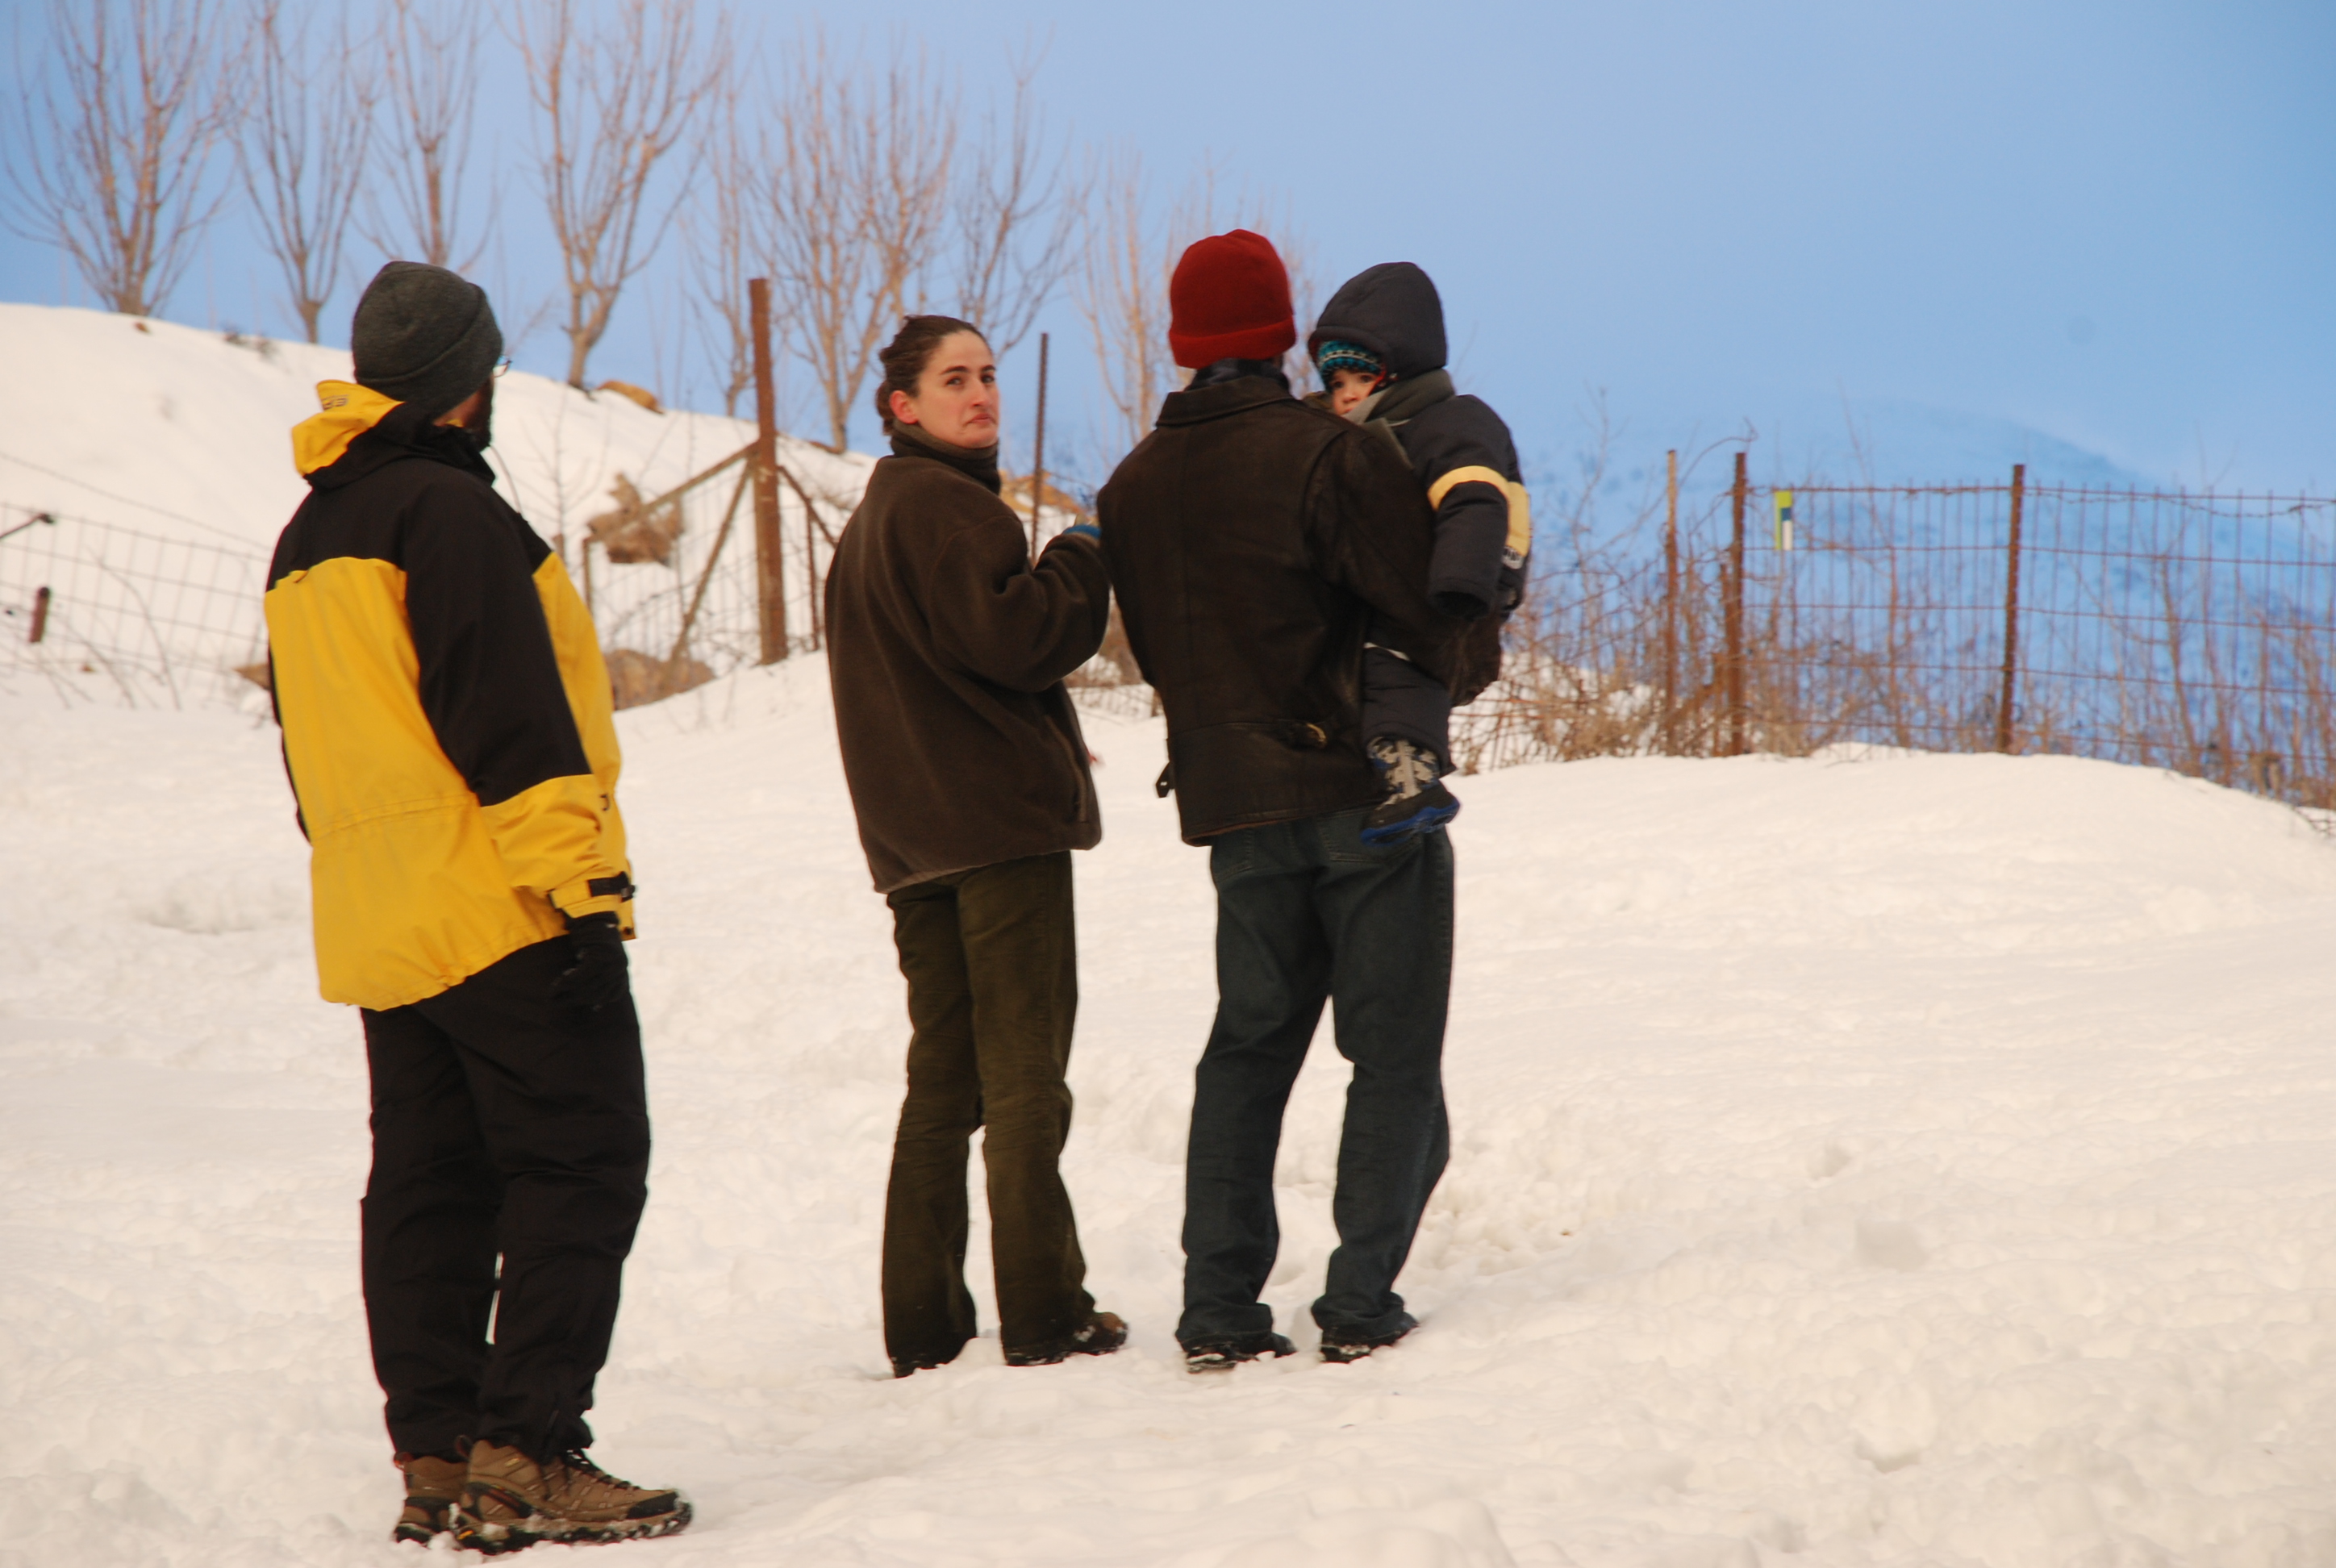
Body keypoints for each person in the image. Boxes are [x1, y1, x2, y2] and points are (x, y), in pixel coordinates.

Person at [264, 261, 688, 1553]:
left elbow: (311, 755)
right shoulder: (452, 515)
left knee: (430, 1184)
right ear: (464, 384)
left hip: (382, 921)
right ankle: (529, 1454)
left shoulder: (307, 538)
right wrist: (583, 895)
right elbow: (512, 723)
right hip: (497, 902)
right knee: (584, 1154)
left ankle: (438, 1455)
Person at [1095, 231, 1494, 1372]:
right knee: (1392, 1054)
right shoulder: (1328, 455)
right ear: (1281, 333)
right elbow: (1428, 616)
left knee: (1247, 1052)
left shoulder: (1131, 486)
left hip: (1233, 808)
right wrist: (1465, 659)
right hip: (1361, 796)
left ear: (1183, 340)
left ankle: (1218, 1308)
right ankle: (1359, 1300)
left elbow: (1158, 655)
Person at [824, 314, 1127, 1379]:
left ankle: (924, 1326)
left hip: (914, 848)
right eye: (954, 379)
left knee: (942, 1089)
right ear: (903, 406)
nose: (982, 393)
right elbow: (1022, 636)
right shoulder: (954, 509)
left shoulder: (872, 522)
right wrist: (1081, 555)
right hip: (999, 837)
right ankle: (1045, 1314)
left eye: (988, 374)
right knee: (1025, 1081)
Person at [1308, 261, 1531, 843]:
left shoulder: (1450, 422)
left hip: (1466, 583)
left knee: (1393, 656)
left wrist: (1463, 581)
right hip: (1413, 579)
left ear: (1401, 371)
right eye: (1335, 383)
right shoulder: (1359, 433)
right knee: (1363, 656)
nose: (1345, 395)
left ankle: (1413, 775)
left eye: (1360, 378)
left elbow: (1473, 499)